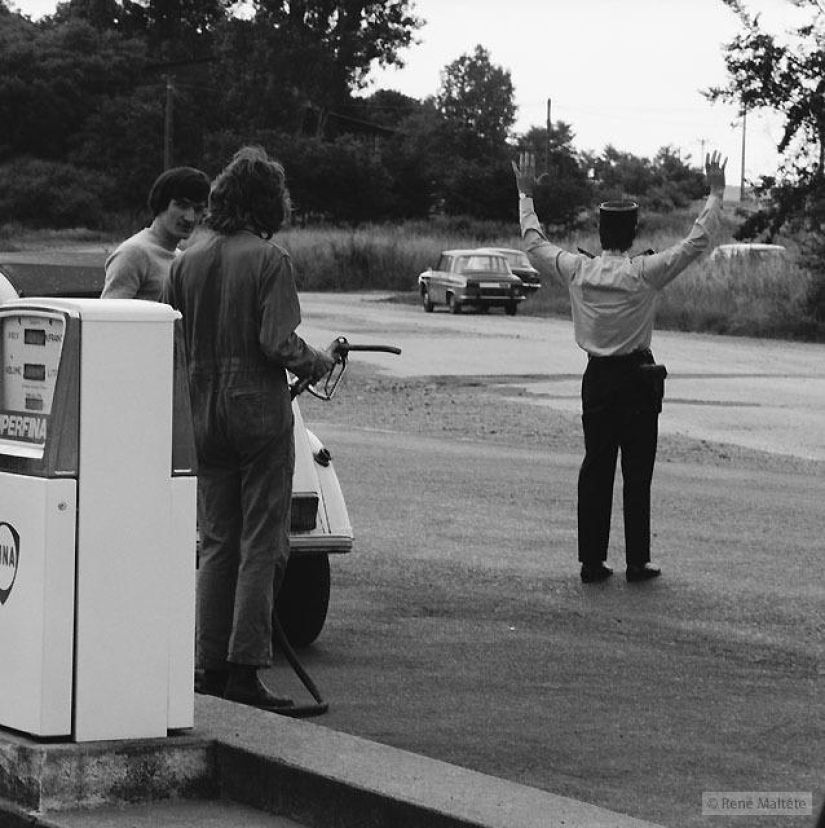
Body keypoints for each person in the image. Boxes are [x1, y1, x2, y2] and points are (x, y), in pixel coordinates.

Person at [162, 146, 336, 711]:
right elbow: (277, 343)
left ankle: (208, 666)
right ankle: (245, 668)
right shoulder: (269, 259)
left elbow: (174, 337)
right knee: (264, 542)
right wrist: (319, 362)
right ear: (269, 202)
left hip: (202, 411)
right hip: (256, 412)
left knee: (216, 541)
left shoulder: (185, 260)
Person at [512, 150, 727, 584]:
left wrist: (525, 194)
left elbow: (534, 243)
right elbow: (695, 243)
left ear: (599, 231)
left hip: (597, 379)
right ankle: (636, 561)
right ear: (632, 234)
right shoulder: (644, 272)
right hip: (636, 380)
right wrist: (715, 192)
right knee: (637, 472)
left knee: (596, 468)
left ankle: (592, 562)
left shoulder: (577, 270)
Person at [101, 166, 210, 300]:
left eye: (198, 210)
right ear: (161, 203)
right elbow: (110, 315)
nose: (190, 218)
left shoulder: (180, 258)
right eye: (182, 205)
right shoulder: (134, 253)